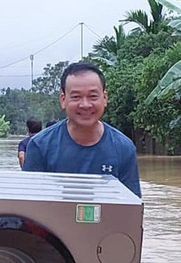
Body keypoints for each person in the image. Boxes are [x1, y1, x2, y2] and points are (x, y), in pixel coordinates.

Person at [22, 62, 141, 197]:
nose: (85, 105)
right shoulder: (40, 146)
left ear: (105, 98)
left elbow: (132, 209)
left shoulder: (124, 148)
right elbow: (29, 206)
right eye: (76, 97)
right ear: (63, 100)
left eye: (93, 96)